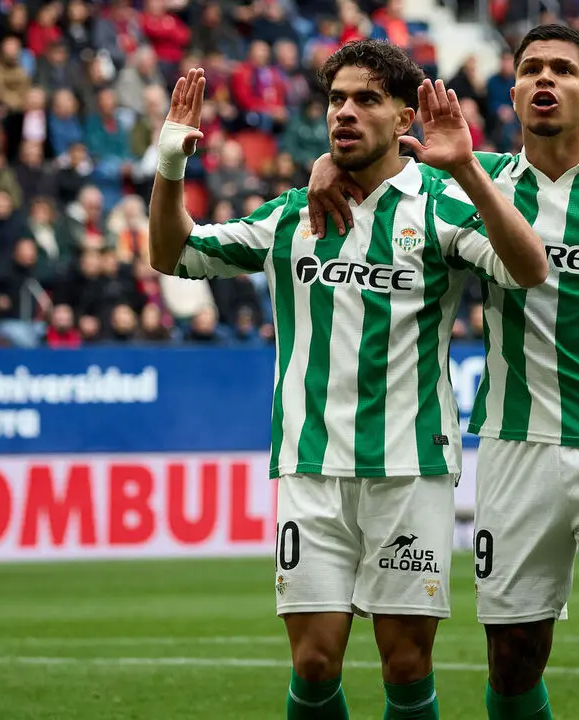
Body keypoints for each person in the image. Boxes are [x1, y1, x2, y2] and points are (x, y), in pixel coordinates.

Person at [307, 24, 579, 720]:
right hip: (512, 447)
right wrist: (329, 166)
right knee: (514, 657)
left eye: (561, 70)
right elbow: (371, 159)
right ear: (515, 88)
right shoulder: (474, 174)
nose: (544, 80)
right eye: (531, 69)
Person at [147, 41, 547, 720]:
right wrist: (168, 166)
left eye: (367, 99)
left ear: (402, 118)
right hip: (312, 464)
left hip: (411, 467)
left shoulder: (442, 209)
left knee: (406, 664)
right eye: (337, 99)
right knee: (313, 661)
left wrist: (468, 170)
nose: (346, 112)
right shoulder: (290, 217)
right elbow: (172, 253)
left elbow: (529, 268)